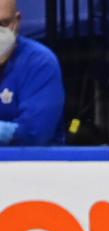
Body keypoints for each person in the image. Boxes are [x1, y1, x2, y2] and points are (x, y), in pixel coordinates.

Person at [0, 0, 65, 146]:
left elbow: (34, 133)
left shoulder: (40, 63)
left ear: (17, 21)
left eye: (3, 24)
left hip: (33, 166)